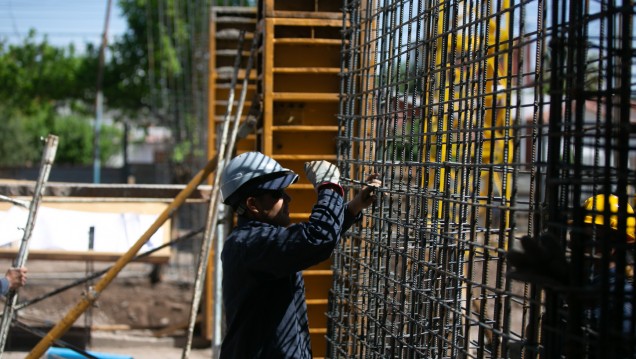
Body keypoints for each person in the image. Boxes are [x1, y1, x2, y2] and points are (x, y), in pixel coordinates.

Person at [218, 151, 381, 359]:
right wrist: (329, 187)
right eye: (277, 194)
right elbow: (315, 239)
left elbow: (305, 243)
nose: (288, 198)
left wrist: (353, 207)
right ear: (252, 205)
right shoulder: (250, 244)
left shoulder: (256, 241)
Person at [507, 194, 635, 357]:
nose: (575, 245)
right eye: (575, 236)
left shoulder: (622, 302)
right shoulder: (581, 282)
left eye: (585, 237)